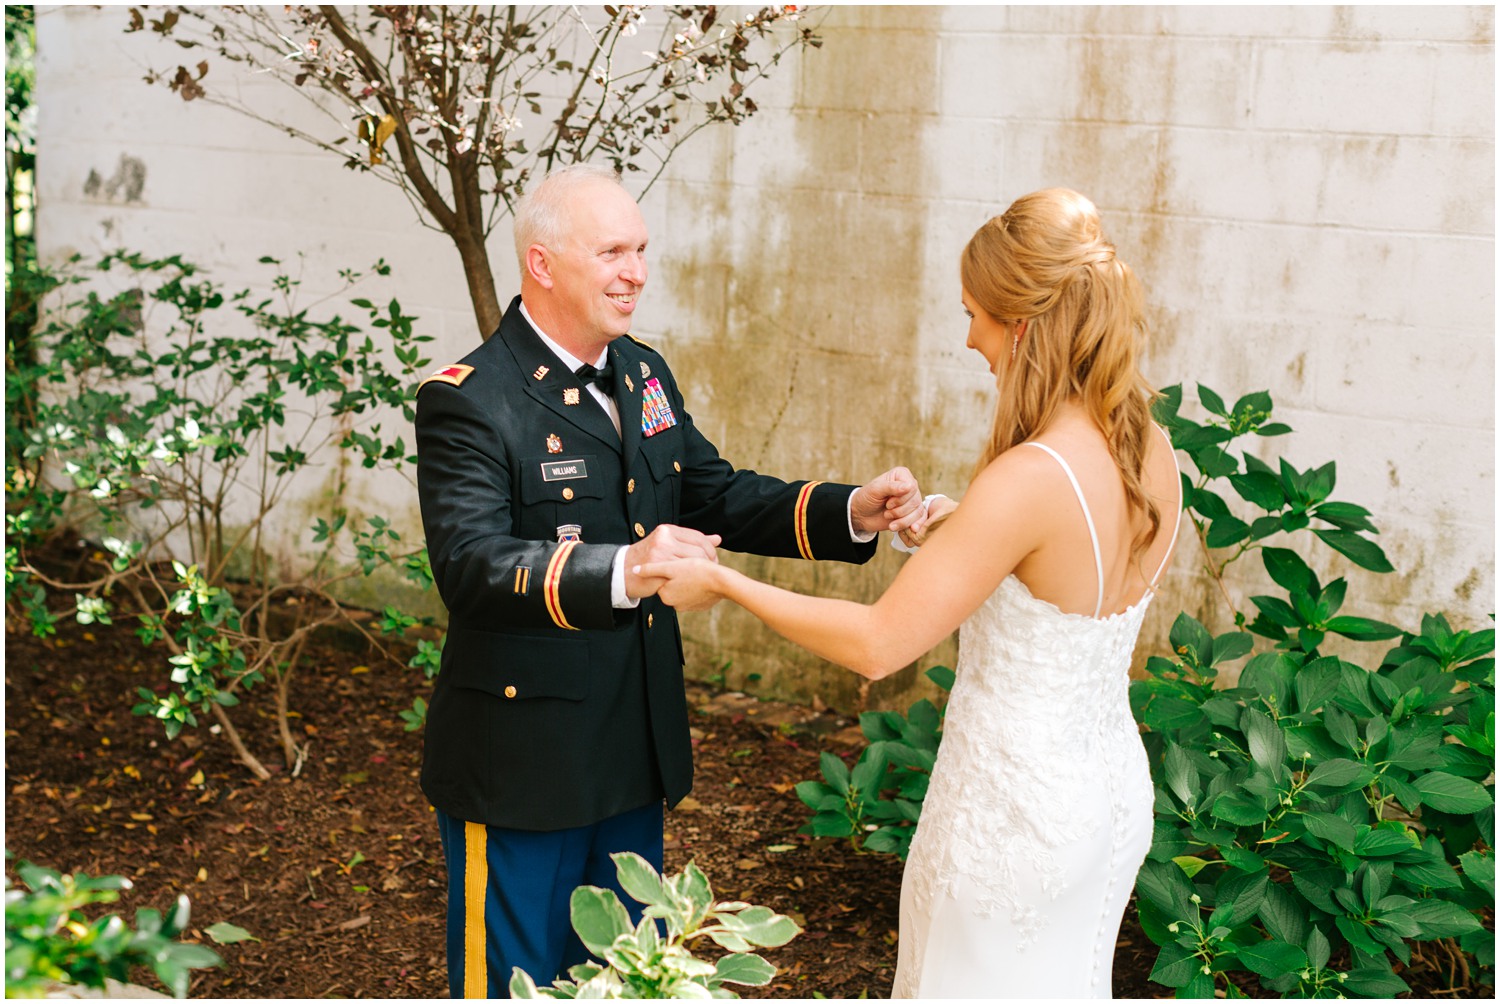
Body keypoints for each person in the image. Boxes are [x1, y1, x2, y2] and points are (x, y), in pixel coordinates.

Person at [639, 188, 1183, 998]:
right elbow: (1075, 573)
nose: (970, 339)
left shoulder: (1027, 478)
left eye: (975, 315)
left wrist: (724, 583)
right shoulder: (1149, 448)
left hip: (1008, 822)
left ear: (1024, 323)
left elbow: (879, 642)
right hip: (1105, 797)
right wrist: (968, 533)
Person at [412, 163, 928, 998]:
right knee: (513, 984)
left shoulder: (643, 373)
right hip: (522, 763)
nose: (637, 272)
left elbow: (713, 493)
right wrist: (626, 568)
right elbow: (472, 563)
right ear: (543, 264)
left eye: (642, 249)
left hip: (633, 744)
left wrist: (851, 513)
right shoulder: (471, 399)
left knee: (630, 979)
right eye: (612, 251)